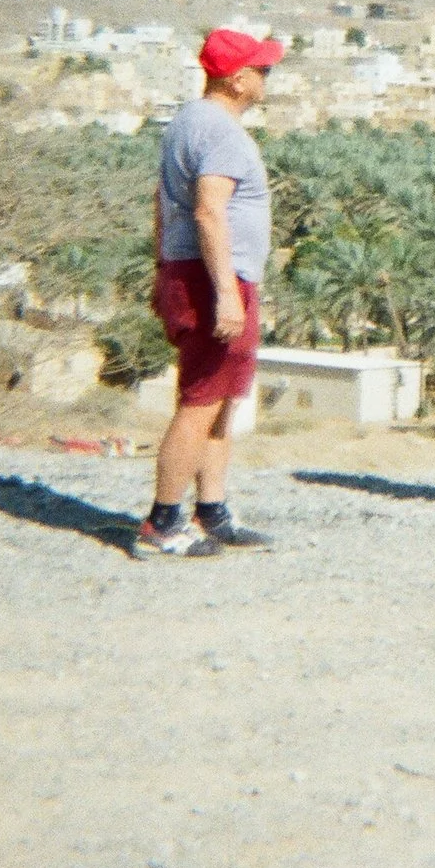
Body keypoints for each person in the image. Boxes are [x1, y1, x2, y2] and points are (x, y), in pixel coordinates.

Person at [136, 28, 287, 556]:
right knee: (201, 399)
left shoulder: (187, 121)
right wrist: (225, 292)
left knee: (222, 398)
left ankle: (212, 509)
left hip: (199, 272)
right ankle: (162, 522)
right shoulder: (221, 132)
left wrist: (162, 269)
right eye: (262, 70)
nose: (267, 78)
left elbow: (161, 201)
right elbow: (207, 209)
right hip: (215, 277)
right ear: (238, 78)